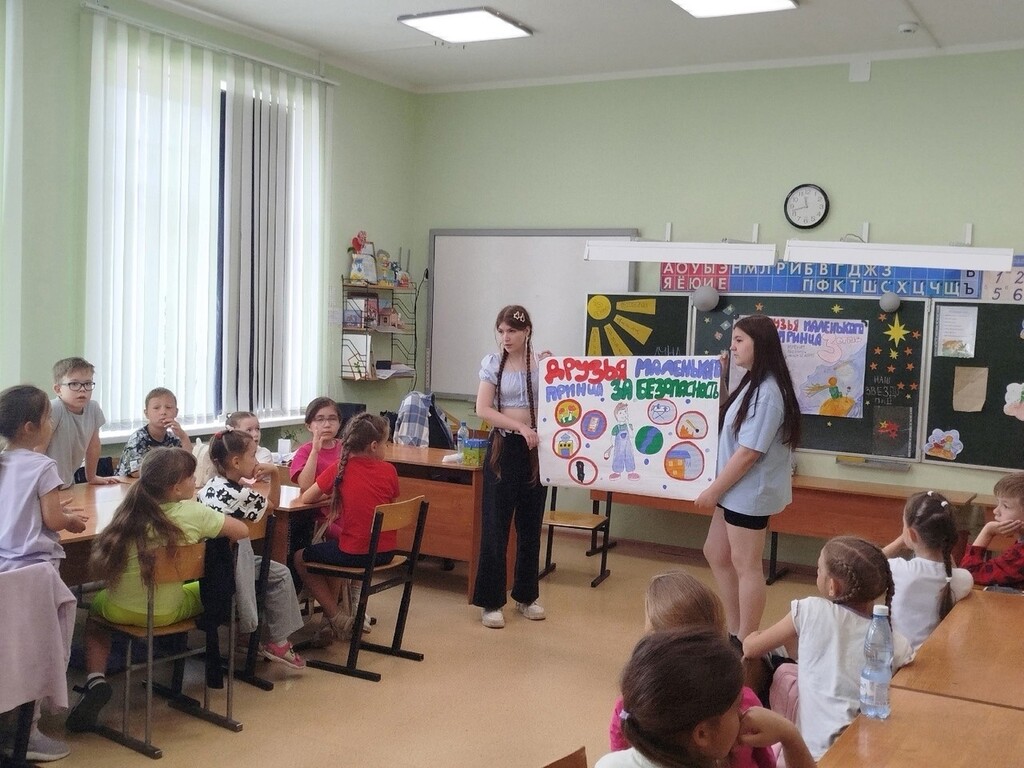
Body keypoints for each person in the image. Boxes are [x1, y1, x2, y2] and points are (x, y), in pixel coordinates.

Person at [66, 448, 247, 733]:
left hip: (118, 609)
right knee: (202, 590)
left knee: (95, 619)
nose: (195, 480)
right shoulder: (195, 513)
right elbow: (241, 531)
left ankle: (95, 679)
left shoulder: (128, 511)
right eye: (191, 477)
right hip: (167, 612)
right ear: (176, 488)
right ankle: (176, 665)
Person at [743, 536, 914, 761]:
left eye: (818, 570)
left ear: (832, 586)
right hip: (859, 755)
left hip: (804, 756)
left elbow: (750, 649)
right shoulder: (896, 643)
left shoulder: (809, 610)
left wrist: (753, 636)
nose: (817, 574)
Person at [695, 315, 801, 641]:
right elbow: (729, 416)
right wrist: (720, 378)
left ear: (760, 344)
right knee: (716, 551)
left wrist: (713, 491)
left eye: (740, 340)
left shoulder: (768, 392)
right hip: (734, 490)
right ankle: (734, 628)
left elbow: (748, 453)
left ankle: (746, 639)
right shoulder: (753, 383)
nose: (733, 346)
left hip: (748, 493)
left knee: (747, 565)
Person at [0, 385, 90, 762]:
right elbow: (53, 520)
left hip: (6, 571)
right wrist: (69, 519)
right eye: (48, 417)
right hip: (37, 573)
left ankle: (10, 725)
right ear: (29, 427)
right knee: (41, 651)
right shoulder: (42, 466)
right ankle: (29, 731)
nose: (52, 423)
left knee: (11, 653)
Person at [608, 572, 775, 768]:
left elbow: (624, 758)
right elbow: (768, 762)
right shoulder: (743, 701)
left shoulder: (632, 706)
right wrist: (789, 736)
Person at [596, 628, 815, 768]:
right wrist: (790, 735)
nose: (744, 714)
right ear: (702, 734)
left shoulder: (608, 764)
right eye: (737, 707)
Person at [198, 430, 305, 669]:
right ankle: (278, 642)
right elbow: (273, 505)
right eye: (253, 455)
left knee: (271, 570)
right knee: (280, 574)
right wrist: (275, 473)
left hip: (209, 563)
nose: (257, 462)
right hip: (230, 563)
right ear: (236, 462)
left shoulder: (210, 486)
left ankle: (248, 638)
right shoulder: (241, 494)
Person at [472, 305, 548, 629]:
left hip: (535, 451)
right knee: (495, 526)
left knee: (530, 526)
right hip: (504, 448)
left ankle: (526, 596)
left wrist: (556, 369)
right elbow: (483, 409)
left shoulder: (543, 364)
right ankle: (491, 601)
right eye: (501, 331)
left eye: (512, 331)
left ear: (526, 331)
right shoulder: (493, 364)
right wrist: (520, 427)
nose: (506, 337)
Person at [295, 413, 398, 645]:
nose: (387, 448)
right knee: (335, 549)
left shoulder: (339, 469)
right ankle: (338, 615)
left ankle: (335, 616)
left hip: (357, 553)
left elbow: (307, 497)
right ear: (374, 446)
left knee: (300, 557)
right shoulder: (390, 471)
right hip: (386, 551)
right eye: (386, 443)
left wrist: (335, 493)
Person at [882, 490, 973, 649]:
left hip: (898, 657)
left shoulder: (897, 569)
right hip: (936, 656)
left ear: (911, 534)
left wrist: (900, 542)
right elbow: (950, 569)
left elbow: (868, 561)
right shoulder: (964, 579)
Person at [42, 357, 120, 489]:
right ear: (58, 389)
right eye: (74, 384)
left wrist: (92, 476)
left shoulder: (93, 408)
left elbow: (93, 446)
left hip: (66, 482)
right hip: (44, 485)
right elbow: (38, 449)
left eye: (88, 384)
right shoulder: (54, 408)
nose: (82, 389)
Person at [961, 471, 1024, 589]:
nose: (996, 511)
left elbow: (969, 574)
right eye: (997, 503)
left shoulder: (1020, 554)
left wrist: (988, 531)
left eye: (1005, 506)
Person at [116, 387, 193, 476]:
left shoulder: (174, 438)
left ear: (176, 412)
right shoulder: (138, 438)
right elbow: (136, 472)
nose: (163, 412)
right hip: (129, 483)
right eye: (156, 408)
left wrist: (183, 436)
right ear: (146, 413)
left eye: (168, 407)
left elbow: (189, 463)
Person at [194, 411, 273, 487]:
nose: (255, 434)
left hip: (257, 492)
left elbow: (255, 477)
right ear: (234, 433)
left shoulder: (264, 453)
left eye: (257, 429)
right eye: (249, 430)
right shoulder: (226, 452)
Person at [290, 397, 344, 492]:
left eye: (332, 419)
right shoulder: (304, 451)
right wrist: (315, 451)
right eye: (320, 419)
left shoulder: (346, 447)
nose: (327, 425)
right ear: (309, 426)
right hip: (317, 500)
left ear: (339, 423)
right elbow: (305, 486)